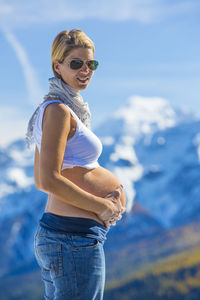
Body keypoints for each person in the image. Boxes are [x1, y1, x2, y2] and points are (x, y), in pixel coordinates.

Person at [26, 29, 126, 300]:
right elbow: (47, 180)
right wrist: (102, 206)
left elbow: (39, 179)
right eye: (76, 63)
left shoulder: (60, 110)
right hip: (72, 238)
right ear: (57, 66)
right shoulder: (57, 111)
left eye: (91, 64)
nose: (86, 70)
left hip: (67, 238)